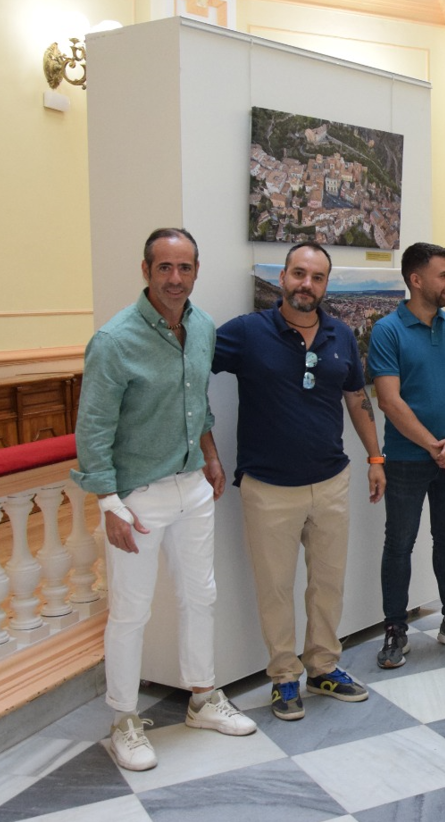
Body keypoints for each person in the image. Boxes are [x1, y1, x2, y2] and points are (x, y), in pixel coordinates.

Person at [72, 228, 256, 772]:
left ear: (196, 270)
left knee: (202, 595)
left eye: (184, 268)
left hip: (192, 485)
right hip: (137, 496)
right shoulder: (114, 340)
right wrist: (109, 504)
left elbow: (194, 399)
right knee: (130, 611)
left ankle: (202, 697)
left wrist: (212, 455)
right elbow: (94, 428)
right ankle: (124, 720)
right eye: (164, 268)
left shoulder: (201, 326)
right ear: (146, 270)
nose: (174, 279)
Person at [212, 242, 386, 721]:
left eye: (316, 277)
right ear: (283, 277)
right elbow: (188, 371)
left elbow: (356, 397)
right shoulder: (247, 333)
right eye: (298, 274)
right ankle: (284, 677)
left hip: (330, 480)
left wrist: (375, 456)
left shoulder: (340, 335)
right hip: (268, 487)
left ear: (325, 285)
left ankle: (324, 667)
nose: (306, 284)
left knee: (328, 584)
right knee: (275, 588)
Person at [368, 242, 445, 668]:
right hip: (406, 458)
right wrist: (436, 447)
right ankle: (395, 628)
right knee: (399, 544)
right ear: (416, 280)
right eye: (444, 274)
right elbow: (390, 401)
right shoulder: (387, 331)